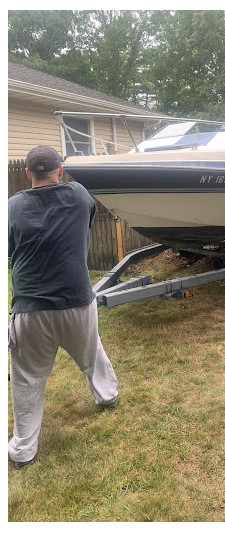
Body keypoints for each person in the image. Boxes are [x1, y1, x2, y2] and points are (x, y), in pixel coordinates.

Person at [8, 145, 118, 470]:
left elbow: (10, 251)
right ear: (60, 170)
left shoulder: (12, 206)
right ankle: (107, 395)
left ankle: (23, 452)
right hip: (78, 303)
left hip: (30, 309)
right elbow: (83, 225)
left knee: (27, 380)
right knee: (90, 348)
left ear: (28, 173)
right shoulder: (79, 195)